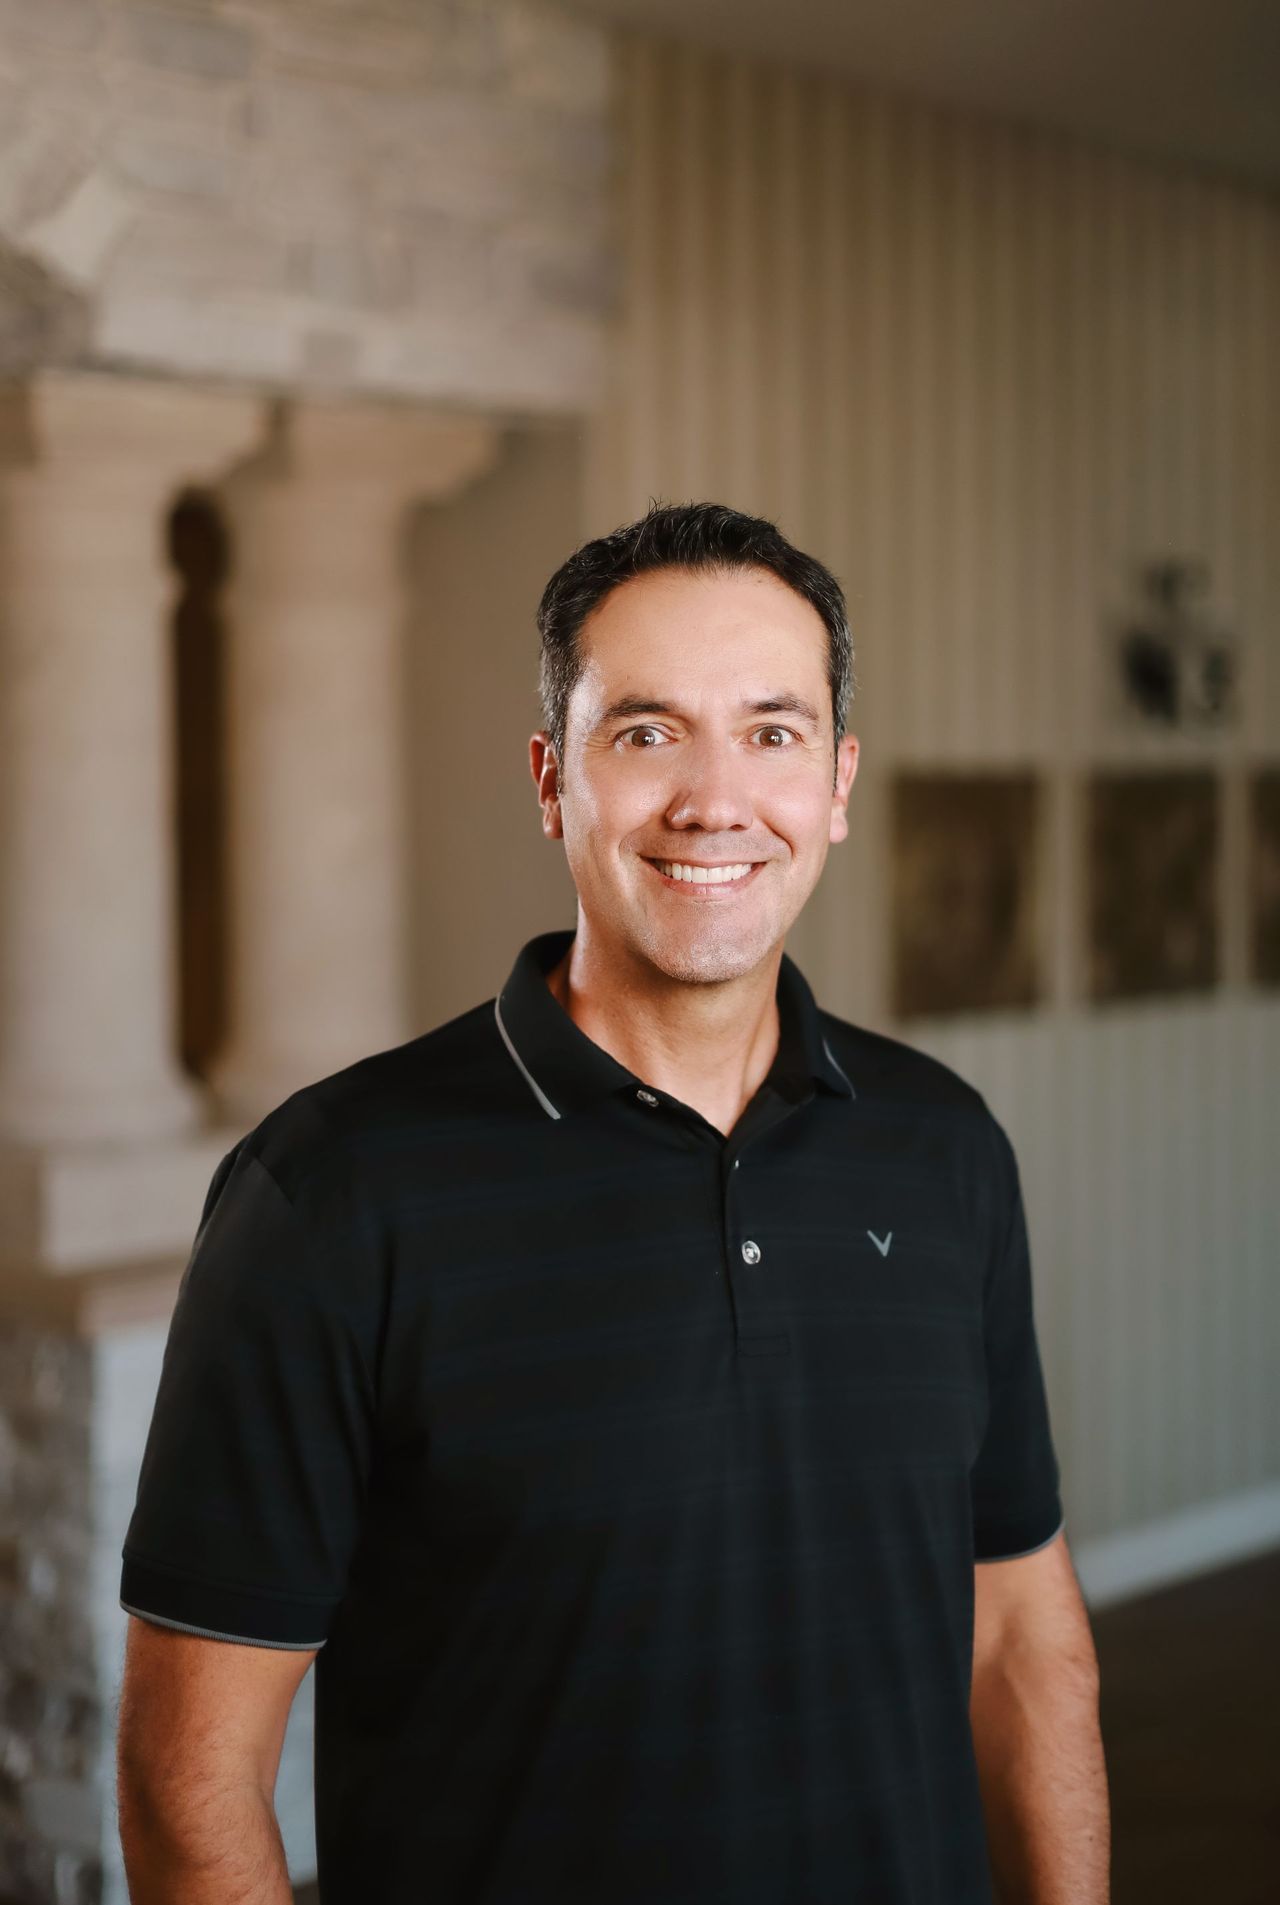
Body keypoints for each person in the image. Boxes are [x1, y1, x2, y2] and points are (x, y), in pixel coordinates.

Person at [116, 501, 1109, 1904]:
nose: (716, 798)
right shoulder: (330, 1193)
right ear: (551, 778)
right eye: (646, 733)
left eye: (772, 730)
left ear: (837, 780)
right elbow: (188, 1779)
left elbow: (1018, 1632)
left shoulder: (944, 1150)